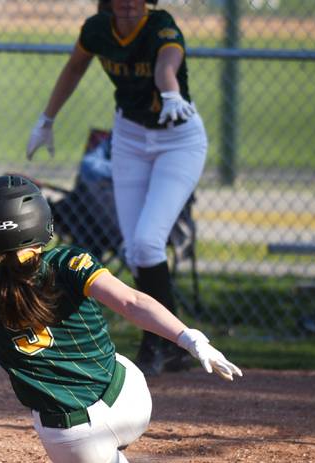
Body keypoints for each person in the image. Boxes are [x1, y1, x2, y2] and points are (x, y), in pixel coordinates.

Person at [0, 175, 241, 463]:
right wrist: (189, 337)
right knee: (109, 357)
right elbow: (133, 302)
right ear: (41, 220)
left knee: (93, 462)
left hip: (71, 443)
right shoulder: (68, 263)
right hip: (129, 404)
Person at [26, 0, 206, 376]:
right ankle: (165, 345)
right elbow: (75, 66)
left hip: (177, 141)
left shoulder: (160, 25)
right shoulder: (97, 29)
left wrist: (171, 91)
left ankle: (167, 341)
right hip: (130, 138)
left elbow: (166, 63)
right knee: (135, 247)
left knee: (145, 243)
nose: (127, 4)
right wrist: (46, 119)